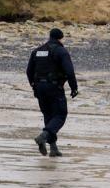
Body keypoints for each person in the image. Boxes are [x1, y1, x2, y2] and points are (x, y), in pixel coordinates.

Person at [26, 28, 78, 157]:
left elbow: (29, 71)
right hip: (54, 87)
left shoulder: (37, 51)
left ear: (50, 37)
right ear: (61, 38)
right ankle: (44, 135)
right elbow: (70, 72)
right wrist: (74, 88)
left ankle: (53, 148)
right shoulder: (61, 51)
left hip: (39, 87)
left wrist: (34, 86)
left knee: (48, 116)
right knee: (60, 115)